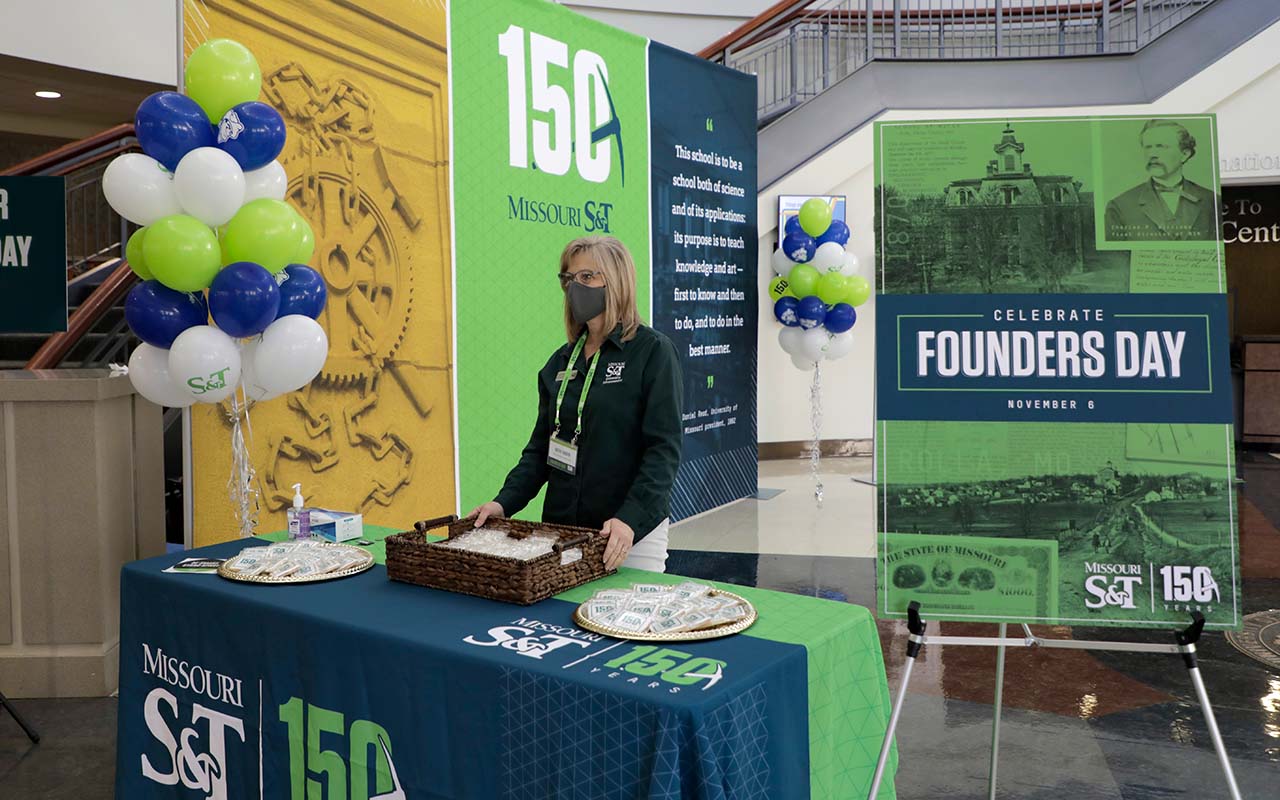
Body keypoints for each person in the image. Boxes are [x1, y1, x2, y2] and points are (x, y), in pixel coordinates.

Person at [469, 236, 683, 572]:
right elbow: (541, 449)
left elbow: (663, 450)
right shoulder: (559, 363)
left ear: (616, 280)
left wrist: (629, 519)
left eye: (587, 277)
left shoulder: (652, 352)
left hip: (626, 535)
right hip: (562, 531)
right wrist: (503, 503)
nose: (575, 287)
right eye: (569, 279)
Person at [1104, 119, 1217, 241]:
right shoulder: (1120, 206)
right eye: (1148, 147)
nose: (1152, 154)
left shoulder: (1212, 201)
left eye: (1161, 146)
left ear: (1184, 154)